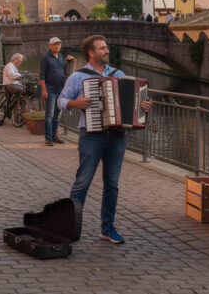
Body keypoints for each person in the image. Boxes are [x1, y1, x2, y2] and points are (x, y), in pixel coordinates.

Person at [59, 35, 153, 244]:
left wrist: (145, 106)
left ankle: (107, 228)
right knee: (82, 183)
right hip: (91, 136)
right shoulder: (78, 77)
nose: (107, 51)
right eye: (102, 48)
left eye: (107, 47)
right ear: (91, 53)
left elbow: (138, 101)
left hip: (117, 136)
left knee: (112, 184)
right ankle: (68, 227)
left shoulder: (118, 74)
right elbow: (61, 100)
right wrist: (76, 103)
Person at [39, 37, 74, 146]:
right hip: (50, 89)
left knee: (57, 115)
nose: (57, 46)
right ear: (50, 45)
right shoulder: (45, 58)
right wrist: (44, 90)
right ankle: (48, 138)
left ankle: (54, 136)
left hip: (60, 89)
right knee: (49, 114)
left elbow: (67, 72)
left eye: (59, 44)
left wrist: (70, 60)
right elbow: (42, 76)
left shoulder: (62, 57)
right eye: (55, 44)